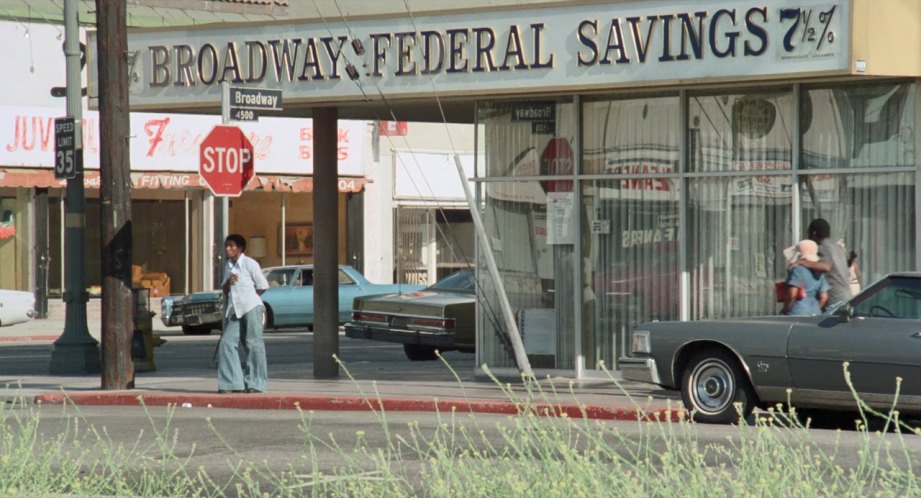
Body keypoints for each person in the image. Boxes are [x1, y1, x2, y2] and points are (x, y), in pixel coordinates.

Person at [218, 234, 270, 394]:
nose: (228, 249)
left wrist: (251, 298)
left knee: (253, 344)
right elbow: (225, 289)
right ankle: (232, 383)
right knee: (226, 343)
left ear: (240, 248)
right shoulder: (228, 265)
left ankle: (256, 383)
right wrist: (229, 282)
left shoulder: (249, 263)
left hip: (251, 307)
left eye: (232, 246)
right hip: (235, 310)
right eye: (227, 245)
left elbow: (263, 285)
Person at [794, 218, 852, 310]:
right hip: (847, 296)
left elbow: (826, 266)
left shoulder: (822, 248)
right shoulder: (838, 248)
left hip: (834, 299)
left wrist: (801, 262)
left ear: (814, 233)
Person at [782, 239, 829, 315]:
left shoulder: (797, 269)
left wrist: (786, 309)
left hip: (797, 312)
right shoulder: (818, 271)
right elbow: (824, 297)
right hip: (815, 313)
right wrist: (815, 309)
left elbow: (792, 294)